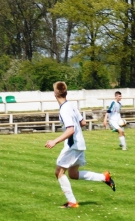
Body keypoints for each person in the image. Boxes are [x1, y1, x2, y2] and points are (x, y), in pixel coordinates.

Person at [45, 81, 115, 209]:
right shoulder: (71, 105)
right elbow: (83, 122)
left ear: (55, 94)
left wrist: (54, 141)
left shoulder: (64, 110)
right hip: (80, 143)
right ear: (66, 92)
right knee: (73, 174)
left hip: (73, 145)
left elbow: (70, 129)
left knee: (59, 172)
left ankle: (72, 202)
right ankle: (104, 177)